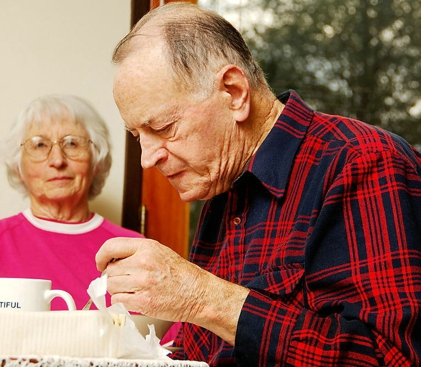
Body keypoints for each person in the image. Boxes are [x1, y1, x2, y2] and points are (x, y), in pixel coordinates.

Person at [95, 3, 421, 366]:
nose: (147, 158)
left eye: (163, 127)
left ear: (234, 93)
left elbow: (392, 357)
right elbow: (204, 354)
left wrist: (203, 296)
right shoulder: (221, 187)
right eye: (138, 135)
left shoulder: (361, 162)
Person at [0, 94, 143, 311]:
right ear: (18, 167)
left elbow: (169, 347)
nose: (57, 160)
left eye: (72, 143)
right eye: (40, 145)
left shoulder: (133, 249)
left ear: (97, 162)